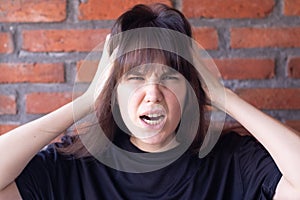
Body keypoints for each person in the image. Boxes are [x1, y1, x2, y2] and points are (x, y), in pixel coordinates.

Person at [0, 3, 299, 200]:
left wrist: (222, 96)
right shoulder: (72, 168)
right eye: (135, 78)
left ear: (191, 91)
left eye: (169, 78)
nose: (153, 93)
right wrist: (87, 102)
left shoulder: (234, 162)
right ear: (113, 90)